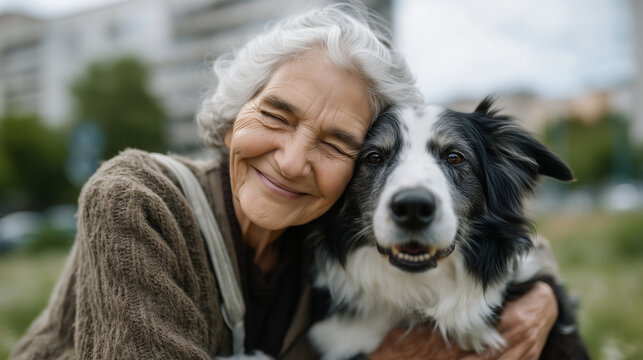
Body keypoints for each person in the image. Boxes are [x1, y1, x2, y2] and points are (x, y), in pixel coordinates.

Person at [9, 3, 559, 360]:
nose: (294, 162)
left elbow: (497, 231)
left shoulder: (320, 229)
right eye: (276, 115)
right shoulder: (136, 197)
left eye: (337, 143)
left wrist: (542, 299)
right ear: (233, 114)